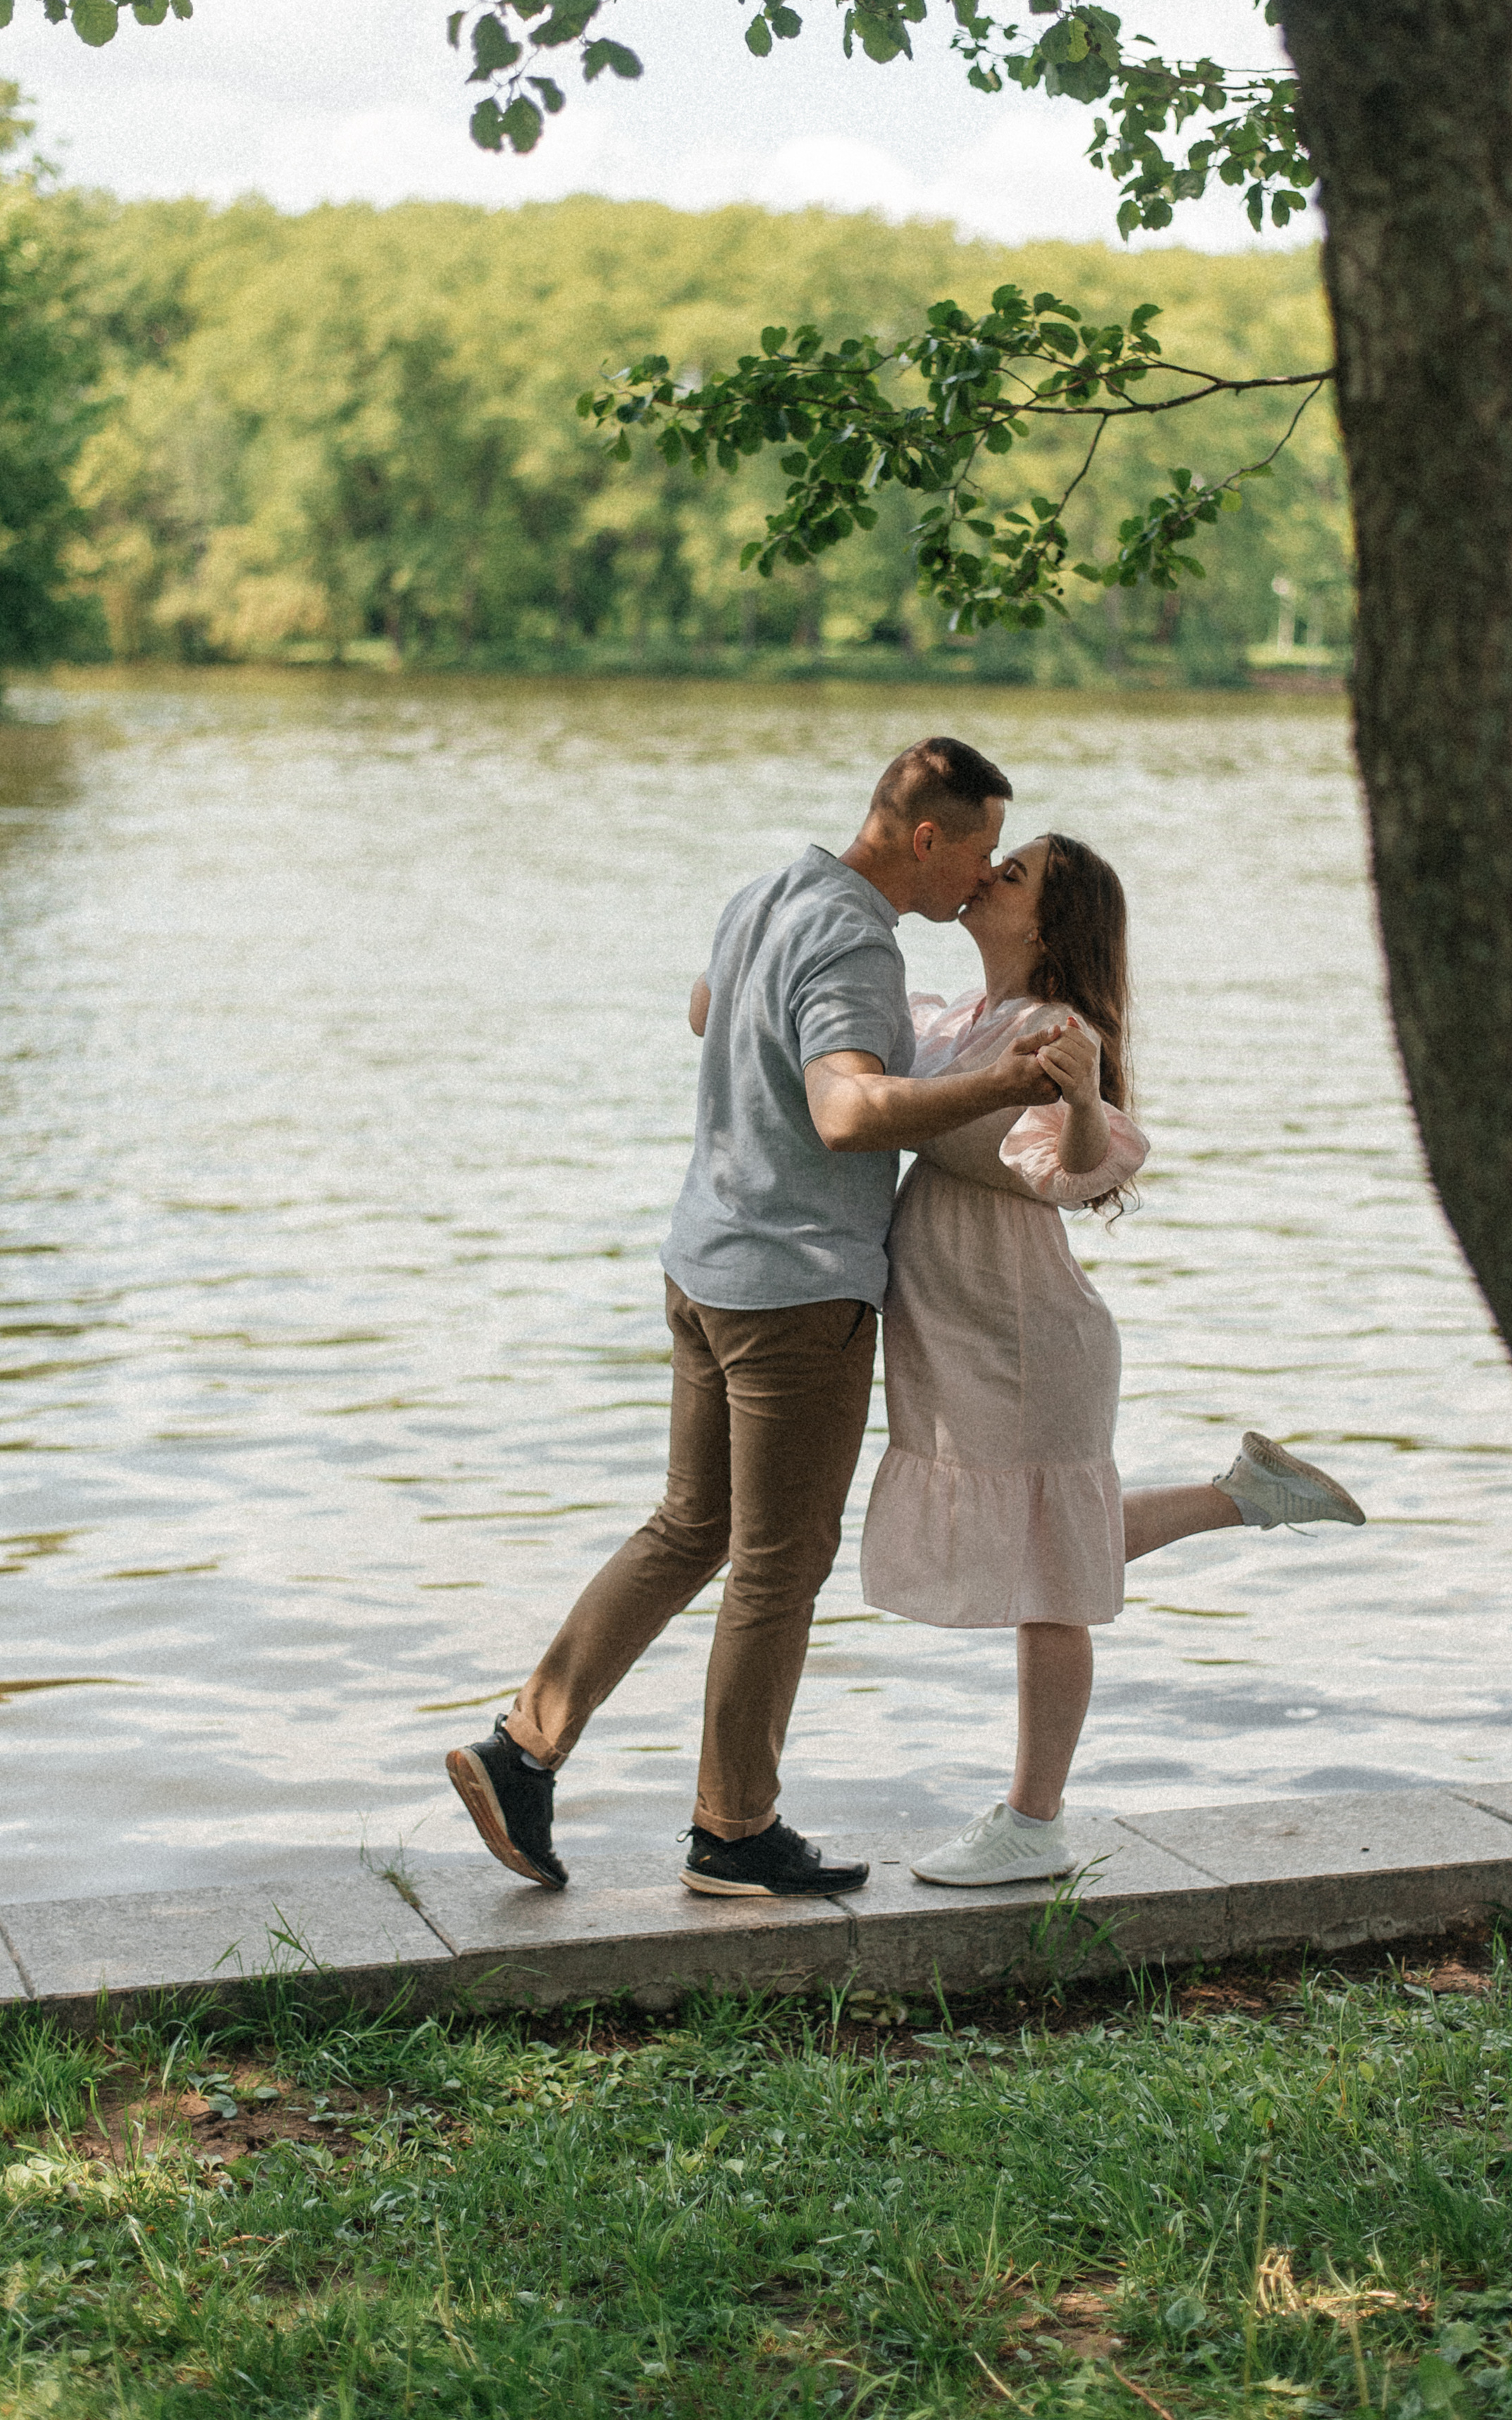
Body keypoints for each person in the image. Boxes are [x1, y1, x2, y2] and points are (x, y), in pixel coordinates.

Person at [446, 736, 1060, 1898]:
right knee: (779, 1567)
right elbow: (846, 1112)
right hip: (795, 1292)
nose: (983, 876)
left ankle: (521, 1750)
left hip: (704, 1265)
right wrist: (1001, 1082)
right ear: (926, 836)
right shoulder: (860, 942)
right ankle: (734, 1831)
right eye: (979, 851)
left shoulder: (772, 892)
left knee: (690, 1527)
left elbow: (704, 1011)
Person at [859, 831, 1368, 1889]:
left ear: (1051, 923)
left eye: (1013, 874)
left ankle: (1033, 1823)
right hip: (968, 1333)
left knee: (1052, 1577)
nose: (987, 876)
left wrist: (1086, 1102)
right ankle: (1247, 1495)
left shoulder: (1055, 1033)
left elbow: (1075, 1172)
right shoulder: (960, 1020)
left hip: (1028, 1341)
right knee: (1052, 1544)